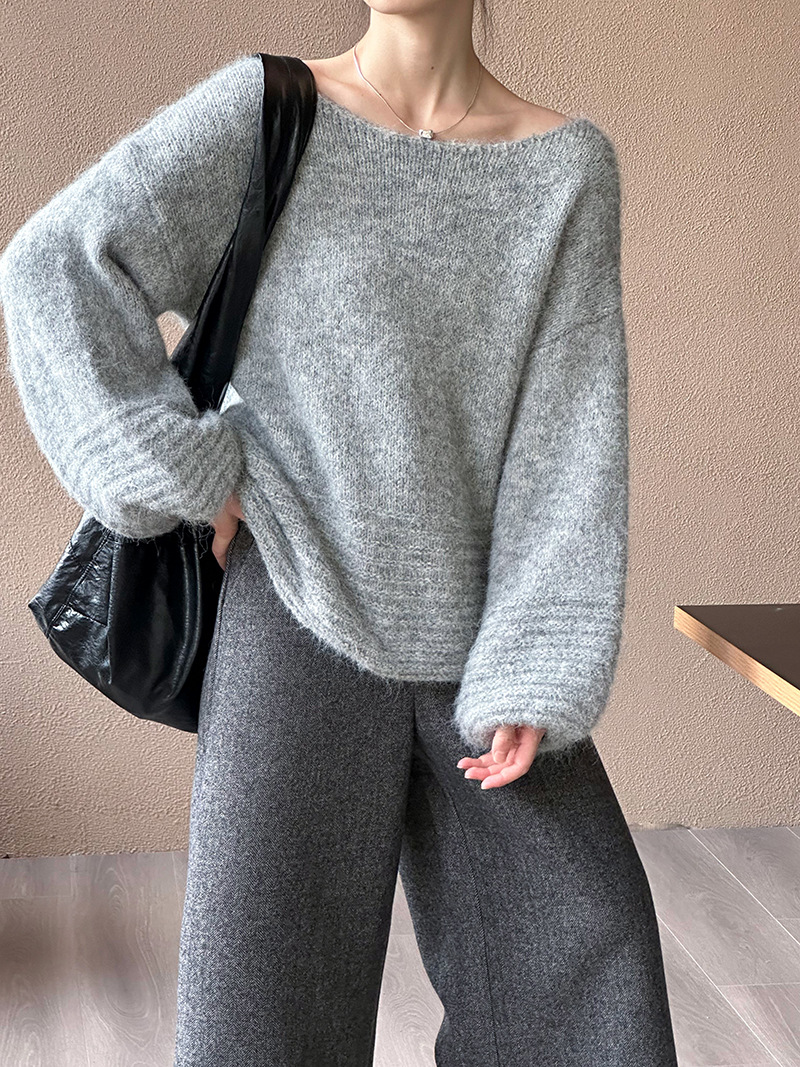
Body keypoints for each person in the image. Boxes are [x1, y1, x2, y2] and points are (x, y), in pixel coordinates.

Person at [0, 1, 680, 1064]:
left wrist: (534, 667)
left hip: (482, 651)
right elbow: (55, 266)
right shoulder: (268, 111)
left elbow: (567, 435)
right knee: (260, 1028)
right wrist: (187, 474)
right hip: (292, 614)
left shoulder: (566, 170)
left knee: (592, 995)